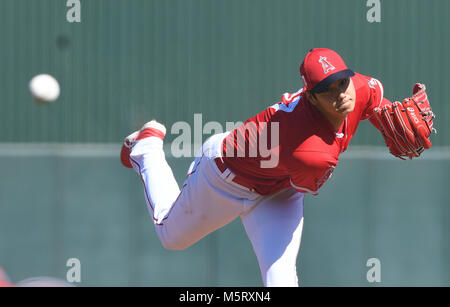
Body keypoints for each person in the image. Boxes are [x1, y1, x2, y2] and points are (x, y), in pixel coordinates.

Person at [120, 48, 434, 286]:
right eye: (328, 89)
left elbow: (374, 101)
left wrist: (386, 120)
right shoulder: (311, 151)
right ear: (311, 98)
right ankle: (147, 148)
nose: (341, 92)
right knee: (171, 237)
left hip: (279, 187)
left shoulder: (362, 88)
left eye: (342, 81)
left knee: (281, 277)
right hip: (226, 177)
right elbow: (307, 177)